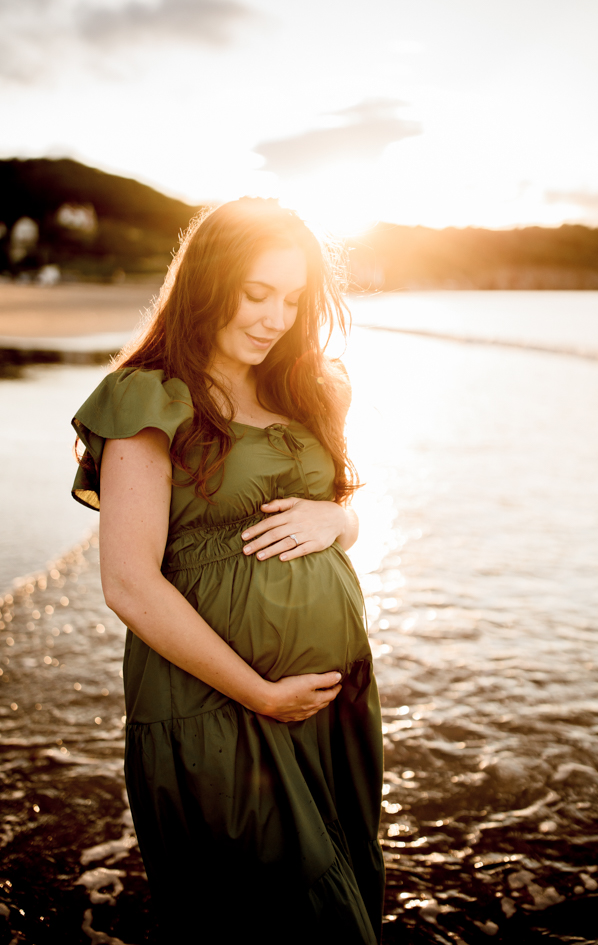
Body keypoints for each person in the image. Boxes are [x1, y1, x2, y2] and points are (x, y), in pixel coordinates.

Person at [71, 198, 384, 944]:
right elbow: (129, 582)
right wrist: (262, 694)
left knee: (351, 891)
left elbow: (348, 510)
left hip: (329, 708)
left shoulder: (308, 386)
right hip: (215, 712)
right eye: (258, 293)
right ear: (210, 282)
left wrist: (339, 522)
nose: (277, 316)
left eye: (294, 298)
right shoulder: (148, 395)